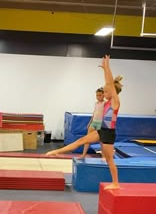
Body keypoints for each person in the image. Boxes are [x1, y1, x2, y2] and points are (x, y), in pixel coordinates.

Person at [46, 55, 123, 190]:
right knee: (81, 140)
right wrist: (104, 71)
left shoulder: (115, 102)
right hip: (102, 130)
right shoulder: (106, 102)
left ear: (113, 92)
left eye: (106, 92)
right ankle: (57, 151)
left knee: (109, 160)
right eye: (103, 91)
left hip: (109, 134)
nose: (104, 93)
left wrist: (107, 68)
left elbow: (110, 83)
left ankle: (116, 183)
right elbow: (108, 83)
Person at [78, 87, 105, 159]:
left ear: (103, 95)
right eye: (97, 95)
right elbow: (94, 113)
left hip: (100, 123)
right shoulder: (96, 103)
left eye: (100, 95)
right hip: (94, 122)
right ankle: (83, 154)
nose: (98, 97)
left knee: (101, 140)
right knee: (87, 139)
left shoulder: (105, 103)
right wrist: (89, 123)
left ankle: (103, 156)